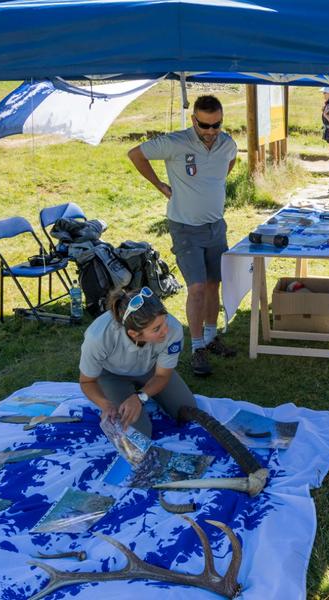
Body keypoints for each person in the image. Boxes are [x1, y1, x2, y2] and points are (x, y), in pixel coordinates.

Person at [127, 94, 237, 378]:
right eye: (205, 126)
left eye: (217, 125)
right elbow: (135, 154)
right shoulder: (175, 142)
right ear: (193, 120)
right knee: (197, 288)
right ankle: (197, 346)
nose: (211, 132)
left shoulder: (227, 144)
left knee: (214, 284)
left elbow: (229, 163)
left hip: (216, 226)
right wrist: (159, 184)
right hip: (185, 228)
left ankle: (211, 338)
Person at [79, 288, 196, 437]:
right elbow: (87, 382)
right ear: (134, 334)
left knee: (187, 411)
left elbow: (162, 376)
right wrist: (105, 405)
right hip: (112, 375)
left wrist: (140, 397)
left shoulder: (173, 328)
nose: (166, 330)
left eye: (165, 320)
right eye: (157, 329)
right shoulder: (98, 337)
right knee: (138, 434)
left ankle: (141, 392)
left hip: (151, 370)